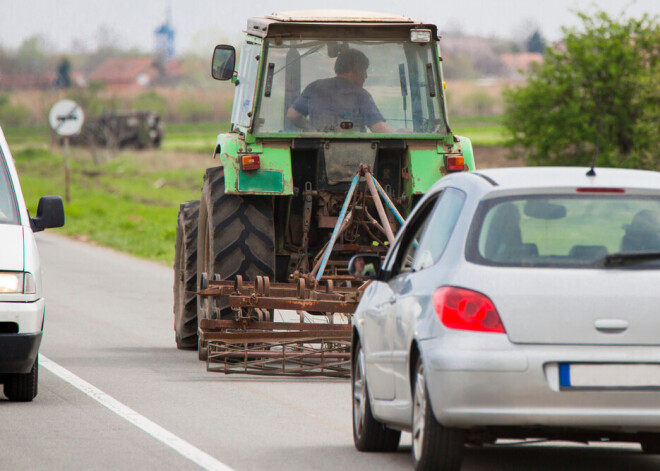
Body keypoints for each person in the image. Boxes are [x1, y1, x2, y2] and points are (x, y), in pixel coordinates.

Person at [286, 48, 391, 133]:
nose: (366, 76)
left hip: (315, 153)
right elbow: (379, 128)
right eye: (364, 71)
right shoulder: (360, 95)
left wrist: (313, 129)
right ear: (355, 70)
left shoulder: (314, 88)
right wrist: (399, 134)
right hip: (354, 154)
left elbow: (292, 115)